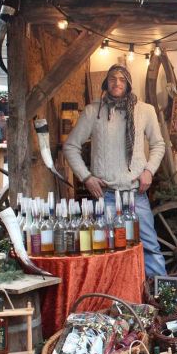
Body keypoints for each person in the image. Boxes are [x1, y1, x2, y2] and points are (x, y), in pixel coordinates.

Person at [63, 65, 167, 277]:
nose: (117, 83)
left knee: (150, 248)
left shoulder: (145, 110)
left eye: (121, 79)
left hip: (136, 194)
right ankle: (111, 294)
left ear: (128, 83)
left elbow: (158, 144)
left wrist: (149, 171)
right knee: (107, 252)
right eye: (112, 78)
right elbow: (71, 146)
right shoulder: (93, 111)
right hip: (106, 195)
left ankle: (161, 294)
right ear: (106, 82)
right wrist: (87, 177)